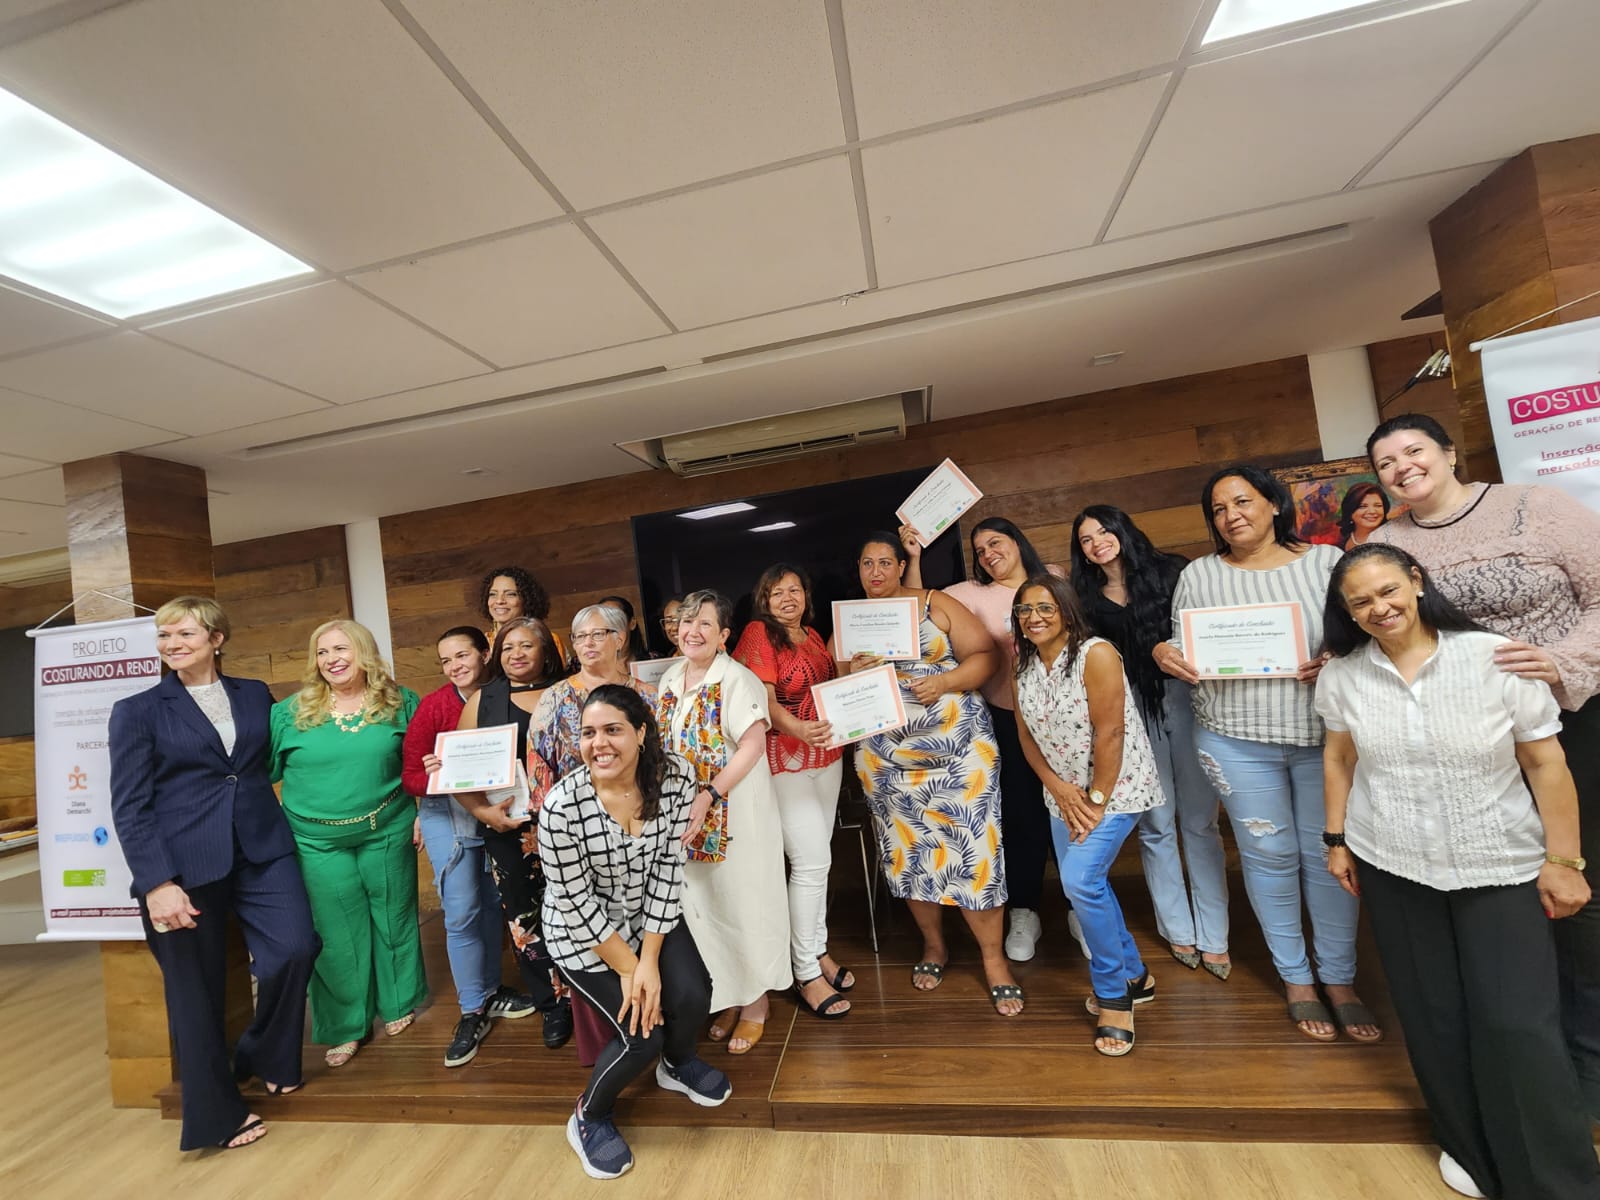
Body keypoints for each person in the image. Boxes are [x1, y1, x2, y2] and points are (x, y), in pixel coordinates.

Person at [1318, 543, 1598, 1199]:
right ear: (1348, 613)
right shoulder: (1344, 677)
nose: (1379, 608)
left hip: (1498, 862)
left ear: (1416, 582)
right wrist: (1336, 839)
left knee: (1517, 1022)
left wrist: (1564, 861)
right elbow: (1339, 758)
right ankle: (1468, 1148)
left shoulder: (1494, 658)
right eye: (1361, 602)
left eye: (1388, 590)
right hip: (1392, 863)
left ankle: (1555, 1178)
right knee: (1431, 1016)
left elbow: (1546, 764)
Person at [1367, 412, 1600, 1116]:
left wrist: (1562, 661)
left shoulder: (1537, 506)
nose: (1403, 467)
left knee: (1577, 887)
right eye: (1386, 462)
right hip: (1467, 745)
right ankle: (1531, 1062)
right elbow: (1369, 625)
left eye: (1414, 451)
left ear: (1448, 452)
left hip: (1569, 720)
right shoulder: (1385, 544)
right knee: (1508, 896)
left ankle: (1589, 1067)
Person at [1153, 466, 1379, 1042]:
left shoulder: (1325, 563)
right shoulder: (1200, 574)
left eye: (1242, 501)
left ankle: (1340, 978)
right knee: (1267, 854)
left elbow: (1362, 631)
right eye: (1219, 509)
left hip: (1324, 739)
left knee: (1328, 855)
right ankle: (1296, 978)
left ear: (1274, 504)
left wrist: (1336, 657)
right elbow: (1182, 639)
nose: (1231, 516)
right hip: (1233, 739)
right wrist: (1165, 652)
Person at [108, 596, 318, 1151]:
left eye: (185, 634)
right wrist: (157, 883)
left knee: (296, 948)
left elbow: (277, 757)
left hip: (262, 847)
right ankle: (216, 1117)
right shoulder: (137, 711)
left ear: (217, 639)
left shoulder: (254, 693)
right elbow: (129, 806)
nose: (172, 645)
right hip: (182, 866)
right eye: (164, 636)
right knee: (194, 993)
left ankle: (265, 1054)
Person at [541, 686, 730, 1180]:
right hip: (584, 934)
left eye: (613, 730)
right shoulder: (561, 807)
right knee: (641, 1035)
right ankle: (590, 1115)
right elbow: (575, 903)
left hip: (650, 915)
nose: (599, 744)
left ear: (641, 733)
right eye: (588, 733)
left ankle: (679, 1063)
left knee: (693, 993)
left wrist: (649, 961)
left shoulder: (677, 778)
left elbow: (669, 868)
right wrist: (630, 969)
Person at [847, 532, 1022, 1015]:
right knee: (909, 854)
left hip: (959, 754)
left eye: (885, 562)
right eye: (867, 563)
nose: (876, 571)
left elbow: (986, 655)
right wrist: (853, 672)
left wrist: (944, 681)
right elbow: (838, 688)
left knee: (975, 853)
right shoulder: (851, 619)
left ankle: (994, 959)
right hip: (888, 763)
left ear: (901, 565)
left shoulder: (934, 603)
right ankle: (934, 945)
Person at [1072, 506, 1231, 979]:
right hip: (1130, 712)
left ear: (1122, 530)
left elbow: (1203, 628)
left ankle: (1215, 936)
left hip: (1187, 699)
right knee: (1157, 824)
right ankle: (1178, 928)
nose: (1097, 542)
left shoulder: (1173, 571)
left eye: (1104, 531)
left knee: (1200, 822)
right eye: (1086, 539)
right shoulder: (1085, 597)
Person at [1012, 575, 1165, 1056]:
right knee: (1088, 885)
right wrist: (1058, 788)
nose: (1034, 617)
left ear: (1066, 610)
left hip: (1114, 791)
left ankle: (1114, 996)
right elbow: (1025, 737)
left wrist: (1095, 800)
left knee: (1079, 882)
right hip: (1062, 797)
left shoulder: (1096, 654)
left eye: (1045, 607)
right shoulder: (1022, 665)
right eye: (1024, 610)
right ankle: (1136, 975)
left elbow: (1111, 733)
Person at [902, 517, 1067, 964]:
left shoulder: (1053, 577)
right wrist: (913, 558)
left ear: (1017, 542)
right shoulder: (971, 593)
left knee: (1068, 815)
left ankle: (1080, 910)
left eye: (996, 543)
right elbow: (915, 605)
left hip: (1063, 720)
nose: (989, 554)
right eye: (980, 550)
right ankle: (1025, 912)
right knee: (1021, 816)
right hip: (1006, 718)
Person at [270, 619, 425, 1068]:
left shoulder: (401, 702)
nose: (331, 660)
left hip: (389, 827)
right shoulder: (289, 713)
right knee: (337, 934)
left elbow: (422, 763)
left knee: (394, 917)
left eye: (341, 649)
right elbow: (261, 773)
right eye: (322, 652)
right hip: (316, 841)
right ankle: (345, 1025)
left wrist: (424, 812)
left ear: (364, 652)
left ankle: (398, 1003)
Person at [657, 589, 791, 1052]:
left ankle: (756, 1004)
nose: (692, 631)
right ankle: (728, 995)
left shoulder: (737, 679)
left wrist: (710, 793)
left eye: (705, 624)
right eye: (686, 622)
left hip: (733, 814)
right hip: (688, 816)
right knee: (706, 910)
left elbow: (752, 746)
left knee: (742, 905)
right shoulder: (671, 677)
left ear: (724, 635)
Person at [530, 603, 662, 1065]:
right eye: (579, 636)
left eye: (598, 634)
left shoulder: (648, 694)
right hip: (578, 838)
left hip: (640, 834)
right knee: (589, 930)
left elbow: (663, 761)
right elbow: (539, 768)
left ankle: (656, 1028)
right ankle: (615, 1044)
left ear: (621, 638)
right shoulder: (555, 699)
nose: (587, 643)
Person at [401, 626, 538, 1068]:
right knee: (461, 910)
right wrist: (438, 773)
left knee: (495, 905)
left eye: (462, 655)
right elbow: (410, 776)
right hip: (448, 814)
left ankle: (492, 992)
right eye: (445, 660)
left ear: (484, 653)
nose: (454, 666)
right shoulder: (434, 706)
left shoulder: (507, 694)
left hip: (501, 810)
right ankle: (471, 1009)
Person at [444, 617, 574, 1051]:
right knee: (524, 916)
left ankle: (589, 997)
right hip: (510, 830)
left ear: (546, 651)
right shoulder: (483, 700)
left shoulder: (569, 692)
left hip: (571, 826)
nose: (516, 654)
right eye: (508, 647)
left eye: (527, 645)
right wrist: (483, 812)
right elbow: (458, 772)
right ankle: (552, 1004)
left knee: (578, 907)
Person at [733, 564, 853, 1019]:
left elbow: (831, 689)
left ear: (806, 594)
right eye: (777, 592)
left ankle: (816, 950)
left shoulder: (813, 636)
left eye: (795, 590)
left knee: (819, 861)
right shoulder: (759, 634)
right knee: (810, 863)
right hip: (785, 758)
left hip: (827, 756)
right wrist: (799, 728)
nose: (788, 598)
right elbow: (763, 700)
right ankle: (804, 971)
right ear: (763, 599)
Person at [478, 564, 569, 667]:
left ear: (526, 599)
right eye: (493, 594)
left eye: (510, 594)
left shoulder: (547, 640)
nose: (499, 601)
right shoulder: (480, 644)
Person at [598, 594, 651, 666]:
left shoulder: (653, 661)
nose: (609, 623)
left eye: (615, 617)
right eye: (603, 618)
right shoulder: (587, 664)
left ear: (632, 624)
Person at [1336, 482, 1390, 551]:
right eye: (1363, 506)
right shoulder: (1342, 540)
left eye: (1378, 506)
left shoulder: (1392, 537)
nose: (1372, 511)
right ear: (1350, 510)